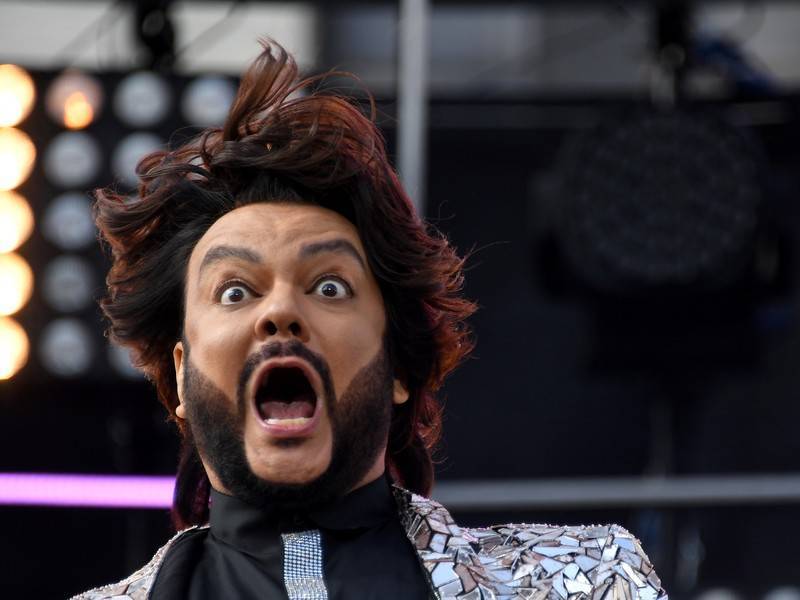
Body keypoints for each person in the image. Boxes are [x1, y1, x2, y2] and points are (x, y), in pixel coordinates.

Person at [74, 41, 667, 600]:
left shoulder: (588, 579)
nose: (280, 311)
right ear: (181, 375)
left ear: (398, 365)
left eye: (329, 287)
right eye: (235, 292)